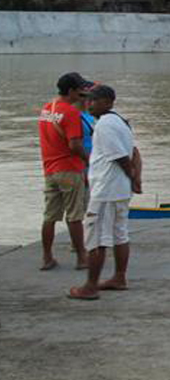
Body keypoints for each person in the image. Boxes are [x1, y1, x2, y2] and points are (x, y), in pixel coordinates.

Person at [69, 85, 139, 300]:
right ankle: (119, 277)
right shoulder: (119, 121)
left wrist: (131, 175)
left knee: (97, 238)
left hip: (106, 190)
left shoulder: (105, 126)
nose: (89, 104)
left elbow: (120, 157)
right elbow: (134, 152)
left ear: (108, 102)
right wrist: (135, 179)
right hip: (118, 189)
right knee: (120, 234)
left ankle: (90, 286)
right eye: (88, 100)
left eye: (94, 100)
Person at [38, 72, 92, 271]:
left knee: (50, 216)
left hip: (50, 169)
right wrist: (88, 161)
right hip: (69, 169)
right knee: (75, 215)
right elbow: (75, 145)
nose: (83, 93)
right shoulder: (71, 113)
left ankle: (47, 257)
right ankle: (82, 258)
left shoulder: (47, 108)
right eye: (80, 89)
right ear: (71, 91)